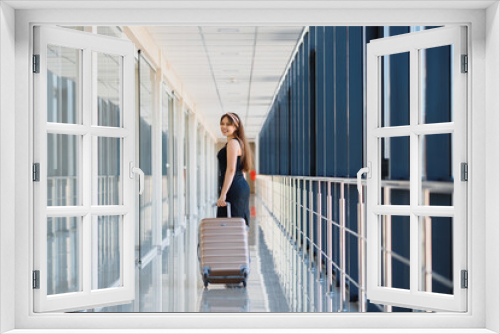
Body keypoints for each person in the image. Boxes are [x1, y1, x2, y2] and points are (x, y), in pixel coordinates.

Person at [216, 112, 252, 226]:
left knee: (230, 224)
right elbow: (242, 171)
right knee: (238, 223)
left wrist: (223, 194)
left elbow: (231, 170)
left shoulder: (232, 143)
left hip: (234, 187)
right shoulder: (239, 143)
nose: (224, 127)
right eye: (222, 123)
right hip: (240, 186)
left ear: (236, 127)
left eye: (228, 124)